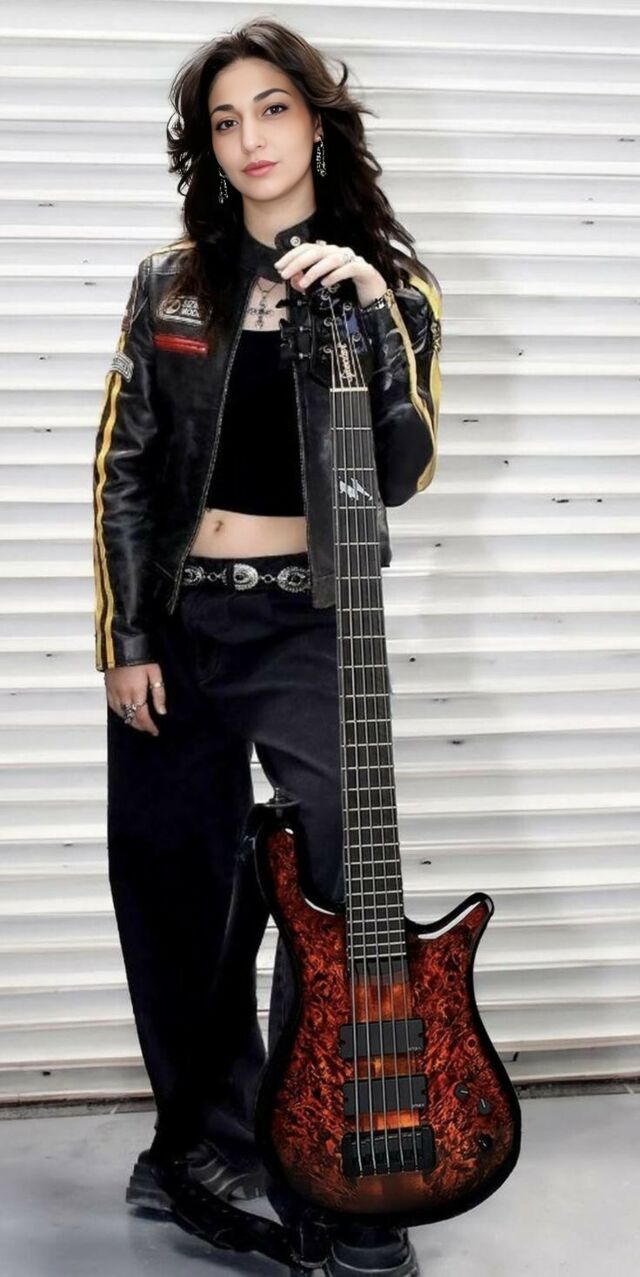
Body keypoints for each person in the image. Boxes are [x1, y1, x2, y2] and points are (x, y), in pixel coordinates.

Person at [92, 16, 442, 1276]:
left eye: (273, 109)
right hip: (182, 625)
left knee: (340, 894)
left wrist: (371, 320)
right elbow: (127, 468)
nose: (251, 139)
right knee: (175, 892)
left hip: (311, 620)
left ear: (317, 124)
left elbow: (400, 470)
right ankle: (205, 1136)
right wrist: (128, 634)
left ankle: (331, 1152)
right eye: (225, 120)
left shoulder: (386, 285)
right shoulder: (172, 282)